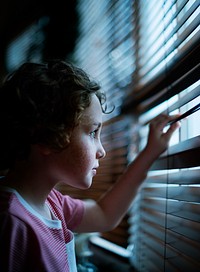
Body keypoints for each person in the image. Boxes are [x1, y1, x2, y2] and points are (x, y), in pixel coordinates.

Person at [0, 60, 180, 272]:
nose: (102, 151)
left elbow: (104, 215)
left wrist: (149, 153)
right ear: (47, 136)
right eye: (93, 132)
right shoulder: (10, 221)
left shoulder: (50, 202)